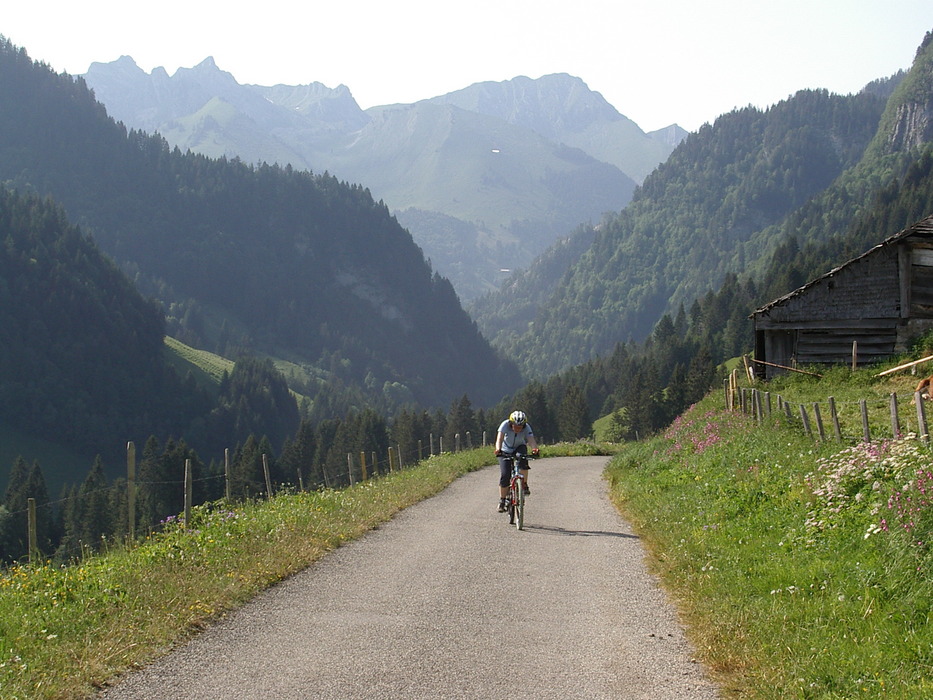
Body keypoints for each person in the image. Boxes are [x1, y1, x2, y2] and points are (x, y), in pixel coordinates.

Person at [494, 410, 539, 512]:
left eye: (520, 427)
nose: (518, 429)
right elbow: (499, 439)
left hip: (519, 447)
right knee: (505, 475)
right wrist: (498, 449)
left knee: (523, 462)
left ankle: (525, 484)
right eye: (515, 426)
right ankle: (502, 500)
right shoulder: (504, 425)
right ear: (511, 423)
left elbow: (531, 440)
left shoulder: (527, 427)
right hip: (505, 450)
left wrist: (534, 449)